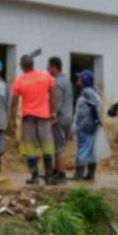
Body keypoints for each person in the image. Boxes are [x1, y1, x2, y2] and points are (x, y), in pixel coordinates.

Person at [11, 54, 57, 185]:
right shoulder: (46, 76)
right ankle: (48, 176)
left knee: (30, 147)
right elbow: (53, 96)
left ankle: (34, 176)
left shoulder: (19, 81)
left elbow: (14, 103)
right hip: (44, 117)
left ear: (22, 66)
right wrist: (53, 112)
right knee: (47, 146)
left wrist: (12, 120)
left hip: (28, 118)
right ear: (32, 64)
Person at [48, 56, 73, 185]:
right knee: (60, 145)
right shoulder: (66, 80)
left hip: (59, 117)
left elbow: (56, 102)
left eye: (49, 67)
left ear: (54, 67)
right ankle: (56, 170)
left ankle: (61, 174)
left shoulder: (57, 82)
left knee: (59, 147)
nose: (48, 70)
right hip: (67, 117)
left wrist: (51, 115)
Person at [74, 68, 102, 181]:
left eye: (79, 78)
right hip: (90, 125)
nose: (77, 79)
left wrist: (96, 119)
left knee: (82, 149)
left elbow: (93, 106)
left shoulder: (87, 92)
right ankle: (90, 174)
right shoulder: (92, 91)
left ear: (84, 80)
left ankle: (79, 174)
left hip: (86, 125)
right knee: (90, 150)